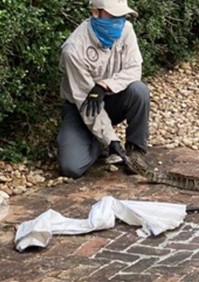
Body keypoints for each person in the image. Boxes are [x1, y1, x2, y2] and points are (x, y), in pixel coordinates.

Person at [57, 0, 149, 178]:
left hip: (112, 99)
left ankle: (136, 151)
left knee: (139, 91)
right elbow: (85, 99)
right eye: (113, 15)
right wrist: (111, 140)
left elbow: (134, 69)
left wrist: (105, 85)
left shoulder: (126, 29)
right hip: (81, 106)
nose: (119, 21)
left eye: (122, 15)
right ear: (95, 12)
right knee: (71, 167)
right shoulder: (73, 50)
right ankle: (96, 140)